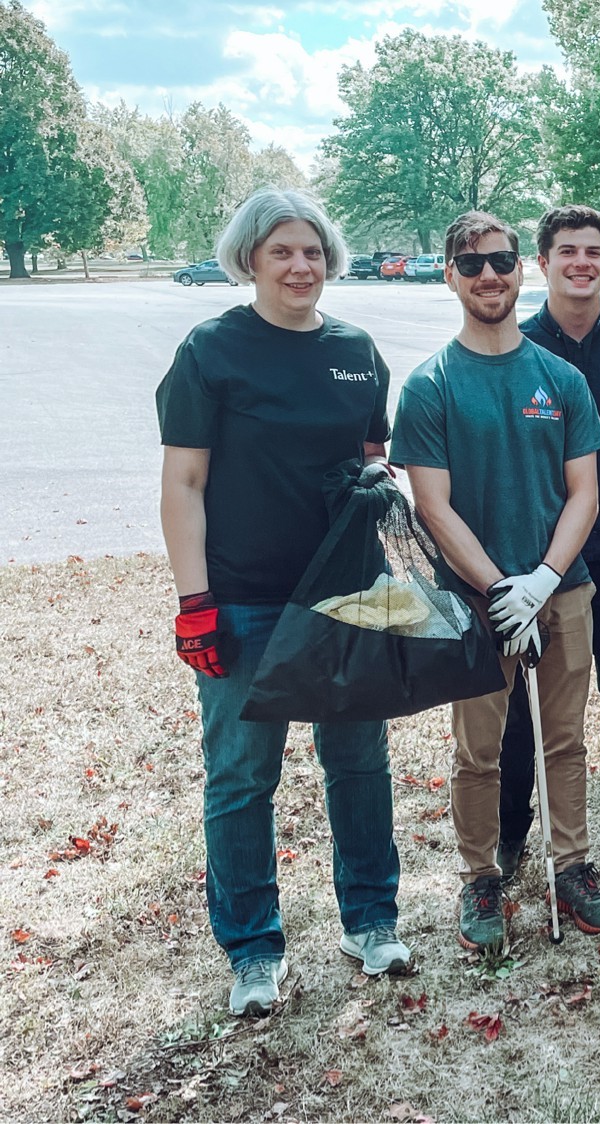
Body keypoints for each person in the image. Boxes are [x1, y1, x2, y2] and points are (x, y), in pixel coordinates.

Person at [157, 188, 409, 1017]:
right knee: (241, 776)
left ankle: (371, 920)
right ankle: (254, 950)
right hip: (244, 599)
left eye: (312, 251)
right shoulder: (211, 351)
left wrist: (377, 485)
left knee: (359, 762)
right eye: (281, 252)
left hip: (348, 595)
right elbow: (185, 484)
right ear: (250, 261)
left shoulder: (357, 351)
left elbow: (372, 456)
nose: (301, 266)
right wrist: (196, 602)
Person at [389, 210, 600, 953]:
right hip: (475, 603)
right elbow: (433, 503)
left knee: (564, 741)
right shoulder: (429, 386)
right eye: (470, 264)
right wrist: (500, 591)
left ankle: (573, 867)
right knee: (479, 750)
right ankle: (480, 876)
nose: (488, 275)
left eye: (500, 261)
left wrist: (545, 579)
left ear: (521, 267)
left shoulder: (560, 379)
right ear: (449, 274)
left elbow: (585, 492)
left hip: (568, 592)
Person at [495, 205, 600, 880]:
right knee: (523, 715)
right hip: (538, 565)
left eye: (593, 251)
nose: (581, 263)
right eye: (567, 251)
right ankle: (512, 833)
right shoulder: (513, 349)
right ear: (543, 262)